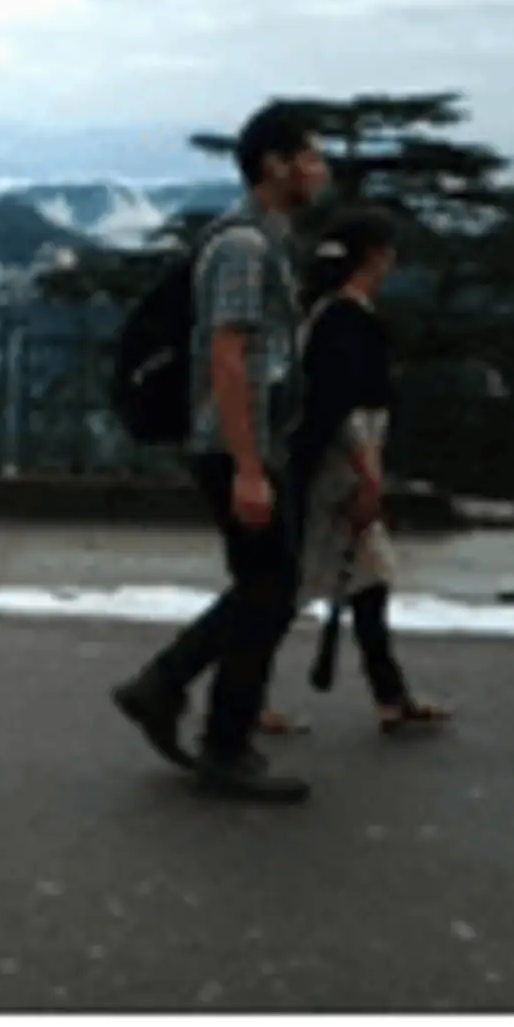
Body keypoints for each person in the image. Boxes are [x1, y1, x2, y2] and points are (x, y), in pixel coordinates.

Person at [110, 101, 329, 804]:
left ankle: (176, 697)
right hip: (238, 444)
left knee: (267, 587)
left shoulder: (266, 240)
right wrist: (248, 466)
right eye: (310, 156)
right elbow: (227, 355)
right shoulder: (243, 247)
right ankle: (212, 732)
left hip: (251, 442)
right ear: (275, 165)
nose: (321, 170)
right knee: (269, 589)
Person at [256, 205, 452, 738]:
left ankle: (389, 695)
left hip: (332, 463)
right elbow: (346, 407)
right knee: (304, 583)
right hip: (338, 468)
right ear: (374, 256)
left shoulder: (328, 315)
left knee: (364, 579)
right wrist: (367, 474)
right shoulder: (345, 320)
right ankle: (245, 694)